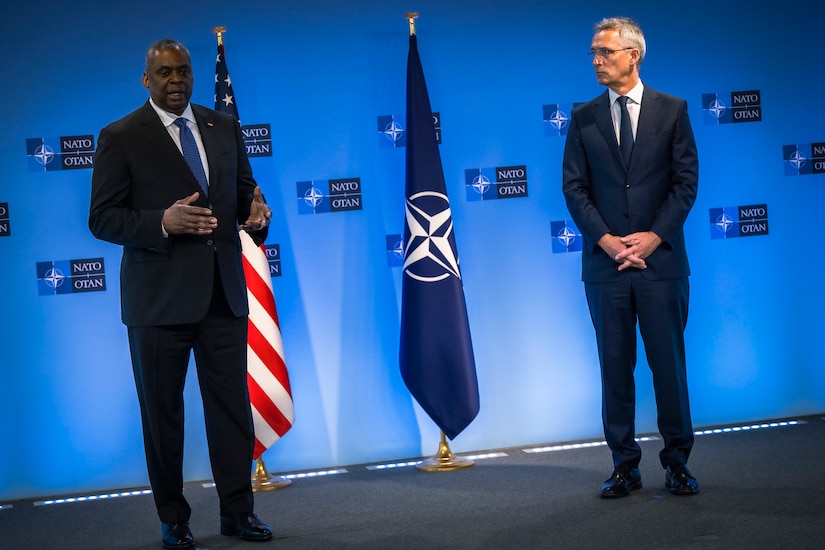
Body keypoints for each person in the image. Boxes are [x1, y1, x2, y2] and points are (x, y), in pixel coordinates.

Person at [89, 39, 274, 548]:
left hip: (222, 297)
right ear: (146, 80)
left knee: (232, 412)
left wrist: (256, 218)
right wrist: (161, 222)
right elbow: (102, 218)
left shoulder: (223, 126)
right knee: (163, 416)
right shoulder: (121, 136)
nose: (177, 81)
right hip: (158, 305)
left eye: (184, 72)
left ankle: (238, 512)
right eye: (165, 73)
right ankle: (174, 518)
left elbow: (243, 198)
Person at [562, 17, 700, 498]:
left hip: (661, 266)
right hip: (606, 269)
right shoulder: (582, 117)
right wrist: (606, 240)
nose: (597, 60)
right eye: (594, 53)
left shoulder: (673, 110)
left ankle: (677, 463)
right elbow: (574, 188)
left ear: (633, 55)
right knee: (615, 370)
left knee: (670, 368)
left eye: (605, 52)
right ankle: (625, 465)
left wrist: (653, 238)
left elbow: (685, 184)